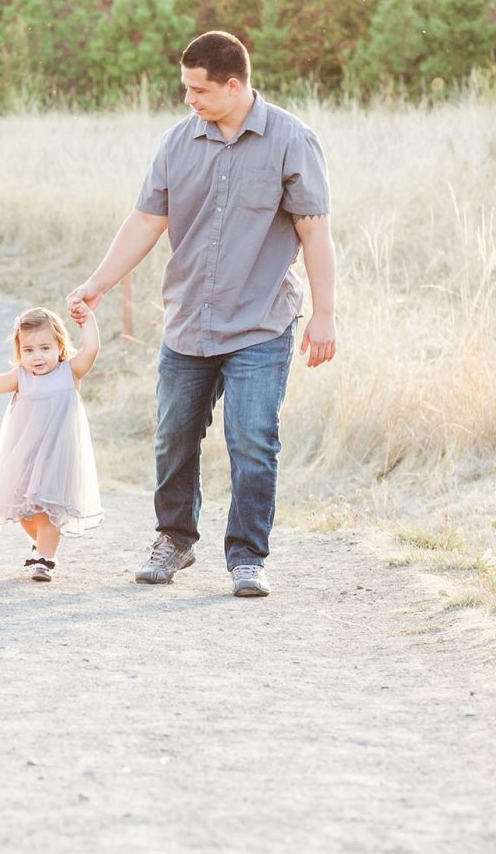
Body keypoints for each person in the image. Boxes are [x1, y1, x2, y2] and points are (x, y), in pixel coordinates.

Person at [68, 30, 336, 598]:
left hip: (261, 319)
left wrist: (325, 315)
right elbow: (145, 221)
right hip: (189, 316)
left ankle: (246, 557)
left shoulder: (292, 140)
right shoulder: (177, 143)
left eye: (198, 90)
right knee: (173, 436)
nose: (188, 99)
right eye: (186, 88)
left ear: (233, 86)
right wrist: (97, 283)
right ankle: (174, 539)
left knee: (252, 438)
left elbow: (315, 233)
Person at [0, 305, 103, 581]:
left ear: (60, 347)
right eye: (28, 350)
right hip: (25, 454)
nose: (37, 356)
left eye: (45, 348)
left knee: (49, 508)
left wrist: (88, 320)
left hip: (58, 453)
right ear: (19, 353)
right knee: (23, 510)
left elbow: (91, 350)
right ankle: (39, 544)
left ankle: (45, 559)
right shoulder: (21, 377)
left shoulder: (70, 372)